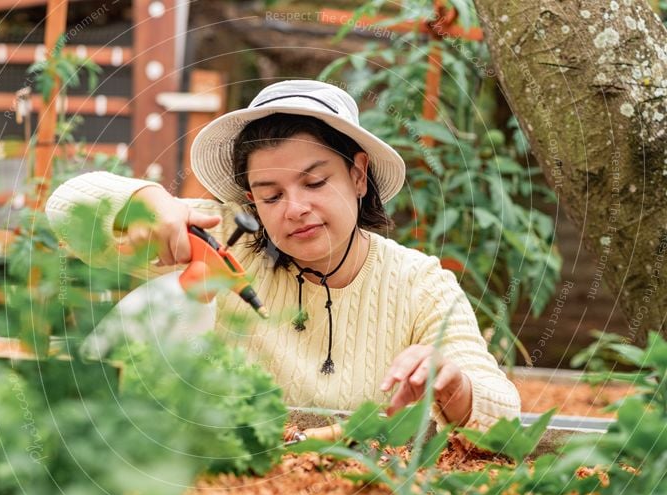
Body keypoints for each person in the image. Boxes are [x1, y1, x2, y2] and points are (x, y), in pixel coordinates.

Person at [46, 79, 521, 431]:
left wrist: (456, 388)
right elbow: (66, 209)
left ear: (358, 176)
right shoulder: (226, 236)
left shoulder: (420, 283)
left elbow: (503, 411)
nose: (295, 209)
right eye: (269, 195)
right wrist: (148, 200)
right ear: (250, 200)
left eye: (315, 183)